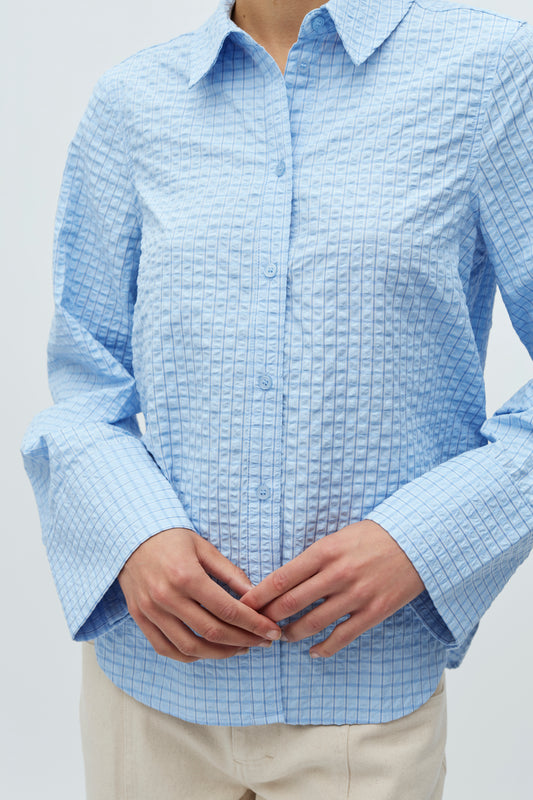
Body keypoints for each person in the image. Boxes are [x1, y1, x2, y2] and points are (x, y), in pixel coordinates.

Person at [20, 0, 533, 797]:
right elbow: (86, 373)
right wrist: (134, 535)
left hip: (364, 701)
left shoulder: (495, 69)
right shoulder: (134, 100)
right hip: (146, 695)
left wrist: (421, 540)